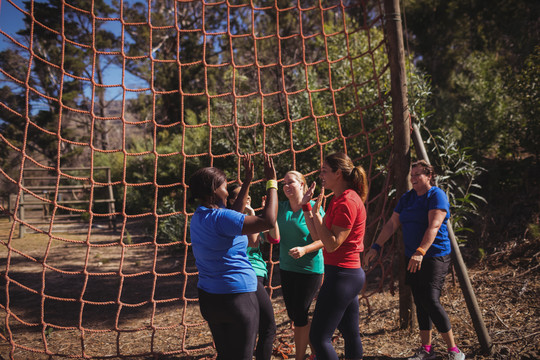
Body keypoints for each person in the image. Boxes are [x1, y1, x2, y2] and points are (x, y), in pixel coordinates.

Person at [365, 160, 466, 360]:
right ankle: (426, 350)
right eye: (412, 175)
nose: (413, 179)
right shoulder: (407, 198)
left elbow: (434, 226)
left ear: (429, 176)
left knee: (430, 298)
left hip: (434, 255)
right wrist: (376, 246)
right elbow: (392, 224)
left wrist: (420, 251)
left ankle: (454, 350)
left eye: (418, 174)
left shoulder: (436, 195)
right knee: (420, 301)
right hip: (412, 256)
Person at [188, 154, 278, 360]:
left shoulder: (200, 216)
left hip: (209, 299)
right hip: (237, 297)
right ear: (214, 189)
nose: (227, 190)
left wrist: (247, 180)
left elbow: (232, 216)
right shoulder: (222, 218)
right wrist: (271, 182)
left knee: (227, 356)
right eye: (225, 186)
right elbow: (269, 220)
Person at [303, 152, 368, 360]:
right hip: (343, 274)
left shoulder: (347, 202)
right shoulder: (339, 199)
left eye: (324, 171)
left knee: (319, 337)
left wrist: (318, 215)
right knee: (350, 333)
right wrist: (308, 208)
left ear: (338, 173)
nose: (321, 175)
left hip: (343, 275)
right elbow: (318, 236)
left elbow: (331, 245)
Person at [274, 170, 325, 360]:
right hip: (287, 268)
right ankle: (317, 352)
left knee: (300, 314)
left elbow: (323, 240)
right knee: (294, 313)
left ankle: (300, 357)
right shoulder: (280, 207)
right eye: (284, 183)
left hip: (310, 269)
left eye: (291, 182)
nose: (286, 186)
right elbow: (269, 234)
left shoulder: (313, 207)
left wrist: (304, 250)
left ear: (302, 185)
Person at [227, 184, 279, 360]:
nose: (247, 199)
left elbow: (274, 237)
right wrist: (251, 214)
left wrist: (268, 213)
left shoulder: (255, 218)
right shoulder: (230, 219)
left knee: (256, 326)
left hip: (257, 273)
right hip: (247, 275)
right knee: (264, 326)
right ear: (232, 200)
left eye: (249, 196)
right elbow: (253, 242)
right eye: (243, 196)